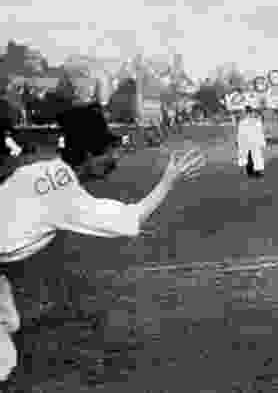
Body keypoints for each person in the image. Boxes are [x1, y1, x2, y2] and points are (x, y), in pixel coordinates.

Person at [0, 103, 205, 381]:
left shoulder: (41, 171)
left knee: (8, 321)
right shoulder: (63, 195)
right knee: (3, 361)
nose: (114, 159)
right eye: (107, 152)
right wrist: (168, 181)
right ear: (87, 155)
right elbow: (130, 219)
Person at [237, 104, 266, 178]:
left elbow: (241, 134)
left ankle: (252, 172)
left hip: (249, 142)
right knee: (253, 157)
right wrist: (262, 142)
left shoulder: (244, 122)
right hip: (252, 142)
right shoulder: (255, 122)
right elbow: (260, 132)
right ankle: (254, 172)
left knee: (251, 157)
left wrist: (239, 142)